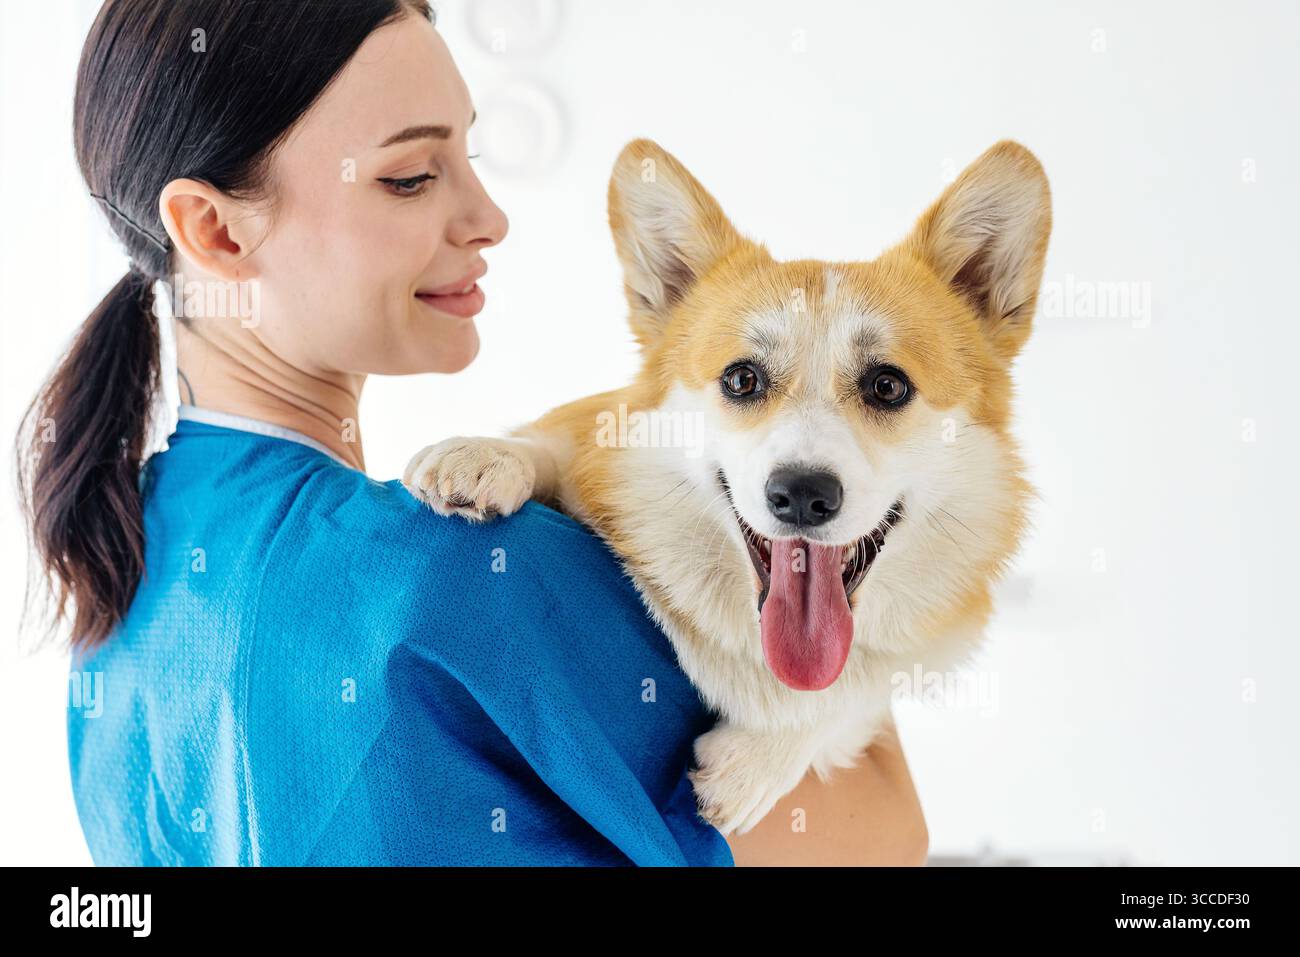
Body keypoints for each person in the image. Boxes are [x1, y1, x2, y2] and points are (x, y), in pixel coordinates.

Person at [17, 0, 928, 866]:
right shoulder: (470, 572)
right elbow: (880, 829)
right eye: (411, 176)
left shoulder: (115, 582)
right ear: (213, 229)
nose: (488, 218)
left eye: (470, 157)